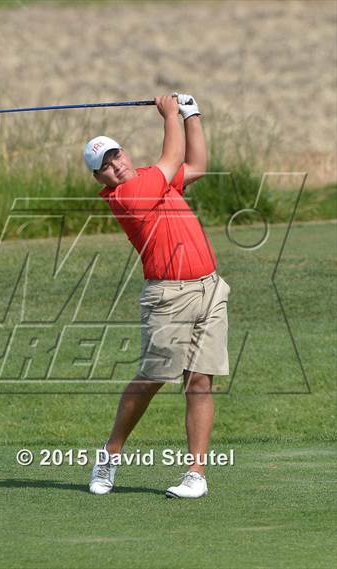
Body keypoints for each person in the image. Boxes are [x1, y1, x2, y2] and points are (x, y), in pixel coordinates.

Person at [83, 93, 230, 498]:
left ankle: (196, 474)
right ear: (100, 179)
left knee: (200, 381)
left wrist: (192, 113)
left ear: (125, 153)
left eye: (117, 156)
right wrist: (170, 115)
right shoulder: (126, 197)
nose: (116, 165)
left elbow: (196, 164)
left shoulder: (153, 177)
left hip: (209, 288)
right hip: (168, 297)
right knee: (153, 379)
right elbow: (173, 154)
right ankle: (110, 455)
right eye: (106, 166)